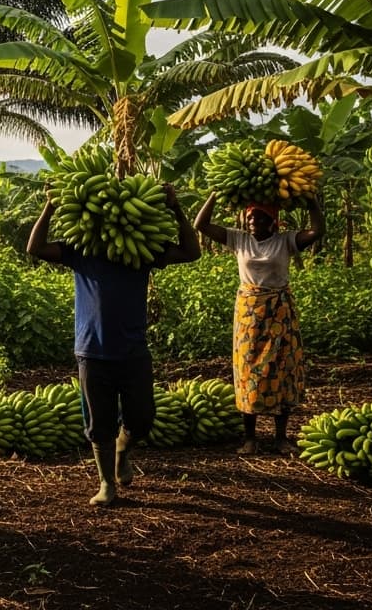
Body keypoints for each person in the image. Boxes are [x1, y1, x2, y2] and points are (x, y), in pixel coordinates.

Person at [28, 182, 200, 506]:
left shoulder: (140, 251)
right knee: (98, 422)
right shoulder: (81, 251)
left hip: (133, 350)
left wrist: (175, 208)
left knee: (142, 419)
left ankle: (124, 447)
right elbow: (34, 249)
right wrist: (49, 206)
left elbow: (192, 252)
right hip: (92, 350)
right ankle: (107, 483)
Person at [194, 193, 324, 456]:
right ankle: (250, 438)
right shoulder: (239, 239)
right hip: (249, 313)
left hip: (279, 311)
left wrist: (311, 202)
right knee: (248, 370)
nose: (253, 220)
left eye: (260, 215)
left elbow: (317, 231)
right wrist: (215, 196)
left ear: (272, 220)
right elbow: (201, 225)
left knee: (282, 368)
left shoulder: (285, 241)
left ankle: (280, 438)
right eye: (250, 215)